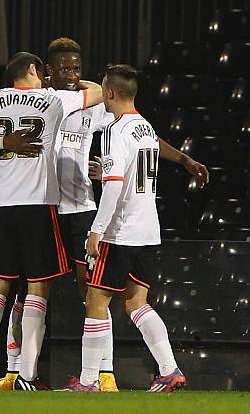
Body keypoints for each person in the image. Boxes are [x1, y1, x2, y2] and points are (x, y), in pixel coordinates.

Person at [0, 37, 209, 391]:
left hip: (80, 211)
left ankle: (101, 375)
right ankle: (17, 373)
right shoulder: (45, 101)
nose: (73, 74)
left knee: (90, 294)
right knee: (27, 293)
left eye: (78, 68)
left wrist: (181, 159)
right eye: (66, 68)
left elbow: (141, 132)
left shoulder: (95, 107)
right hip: (43, 208)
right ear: (47, 71)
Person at [0, 51, 103, 391]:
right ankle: (27, 374)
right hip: (39, 205)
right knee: (37, 288)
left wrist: (2, 141)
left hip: (5, 204)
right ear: (33, 70)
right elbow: (100, 91)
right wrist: (69, 81)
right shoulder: (52, 99)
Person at [66, 64, 185, 393]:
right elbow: (126, 176)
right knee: (136, 303)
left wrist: (96, 230)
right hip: (148, 230)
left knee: (96, 300)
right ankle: (169, 368)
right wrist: (103, 175)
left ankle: (89, 381)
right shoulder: (145, 127)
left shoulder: (115, 132)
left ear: (110, 93)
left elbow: (116, 187)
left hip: (121, 232)